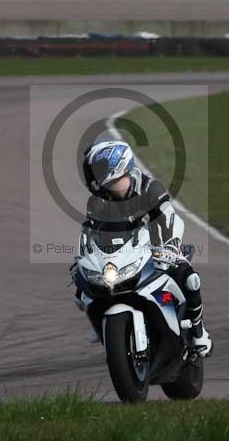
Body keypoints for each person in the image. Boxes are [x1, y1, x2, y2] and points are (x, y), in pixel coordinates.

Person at [73, 140, 213, 357]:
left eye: (96, 170)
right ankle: (105, 328)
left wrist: (171, 248)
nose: (92, 177)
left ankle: (198, 330)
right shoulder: (98, 201)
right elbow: (89, 232)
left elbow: (170, 218)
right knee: (84, 289)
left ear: (116, 167)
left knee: (190, 279)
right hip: (124, 256)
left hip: (160, 249)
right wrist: (81, 259)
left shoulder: (150, 188)